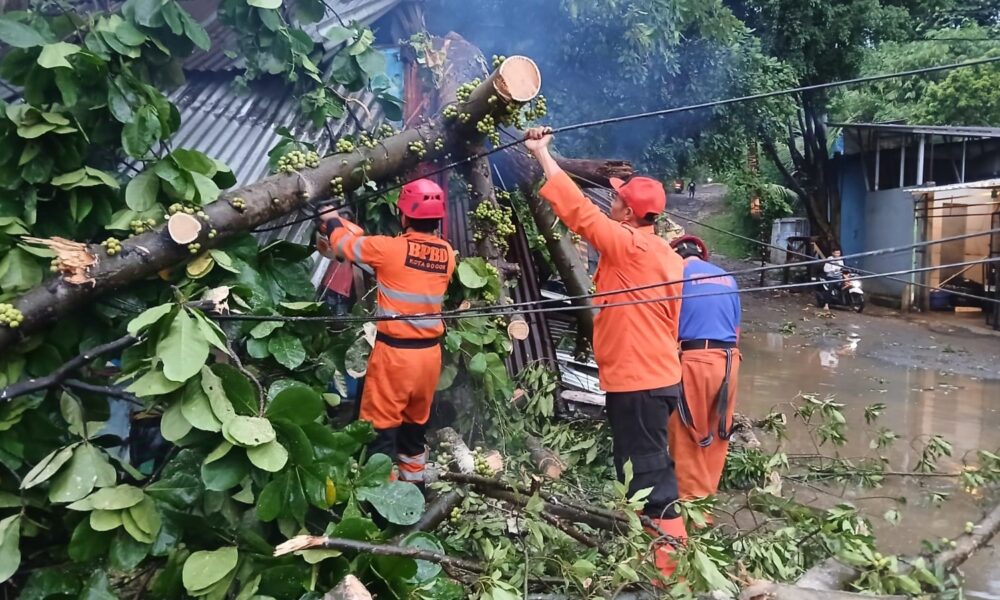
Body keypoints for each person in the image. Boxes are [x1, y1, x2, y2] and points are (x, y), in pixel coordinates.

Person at [524, 126, 687, 578]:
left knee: (652, 476)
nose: (608, 201)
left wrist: (541, 153)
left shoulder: (631, 246)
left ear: (628, 212)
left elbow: (578, 212)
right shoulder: (662, 254)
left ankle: (670, 571)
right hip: (648, 379)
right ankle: (649, 554)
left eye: (614, 198)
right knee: (638, 469)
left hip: (641, 381)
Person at [318, 179, 455, 486]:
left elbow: (343, 245)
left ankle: (381, 505)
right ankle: (414, 492)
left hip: (396, 356)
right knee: (413, 429)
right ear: (439, 217)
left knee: (379, 431)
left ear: (403, 215)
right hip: (429, 359)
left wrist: (330, 219)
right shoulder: (447, 253)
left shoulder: (389, 249)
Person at [667, 235, 741, 508]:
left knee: (688, 433)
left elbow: (668, 328)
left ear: (676, 255)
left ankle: (690, 512)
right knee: (719, 433)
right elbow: (736, 331)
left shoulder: (674, 276)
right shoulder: (728, 278)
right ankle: (707, 502)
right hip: (730, 361)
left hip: (695, 359)